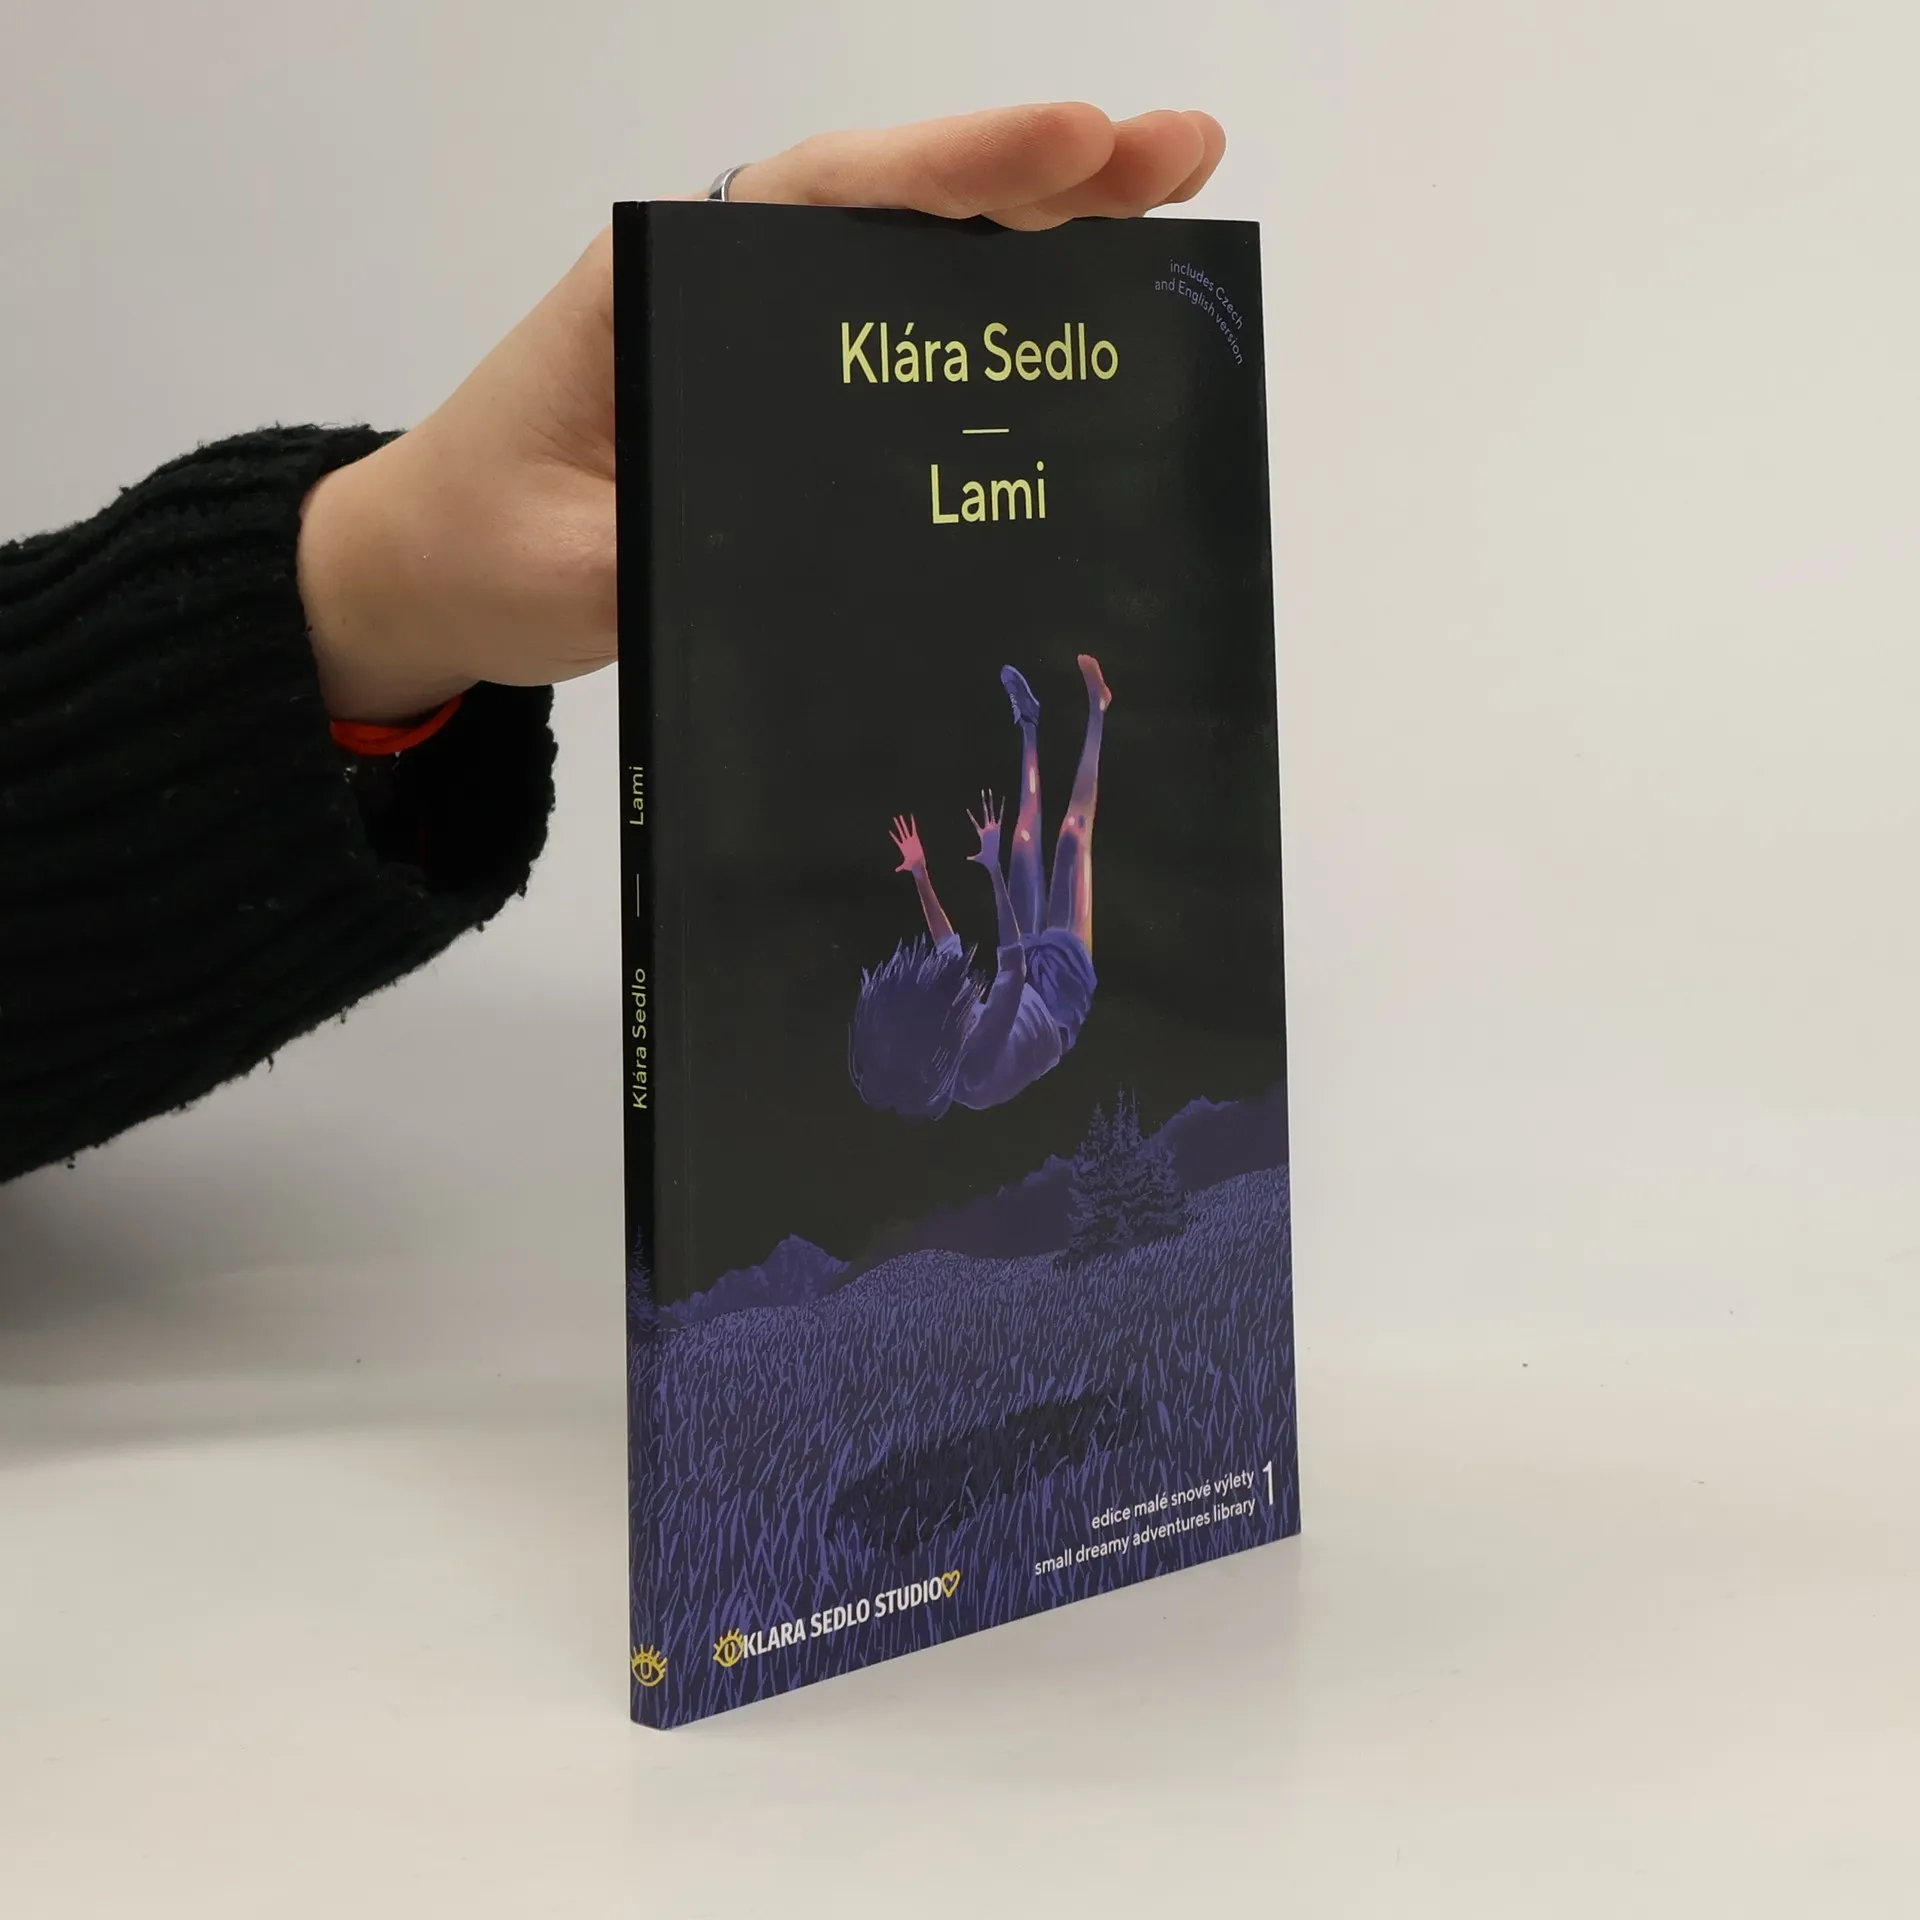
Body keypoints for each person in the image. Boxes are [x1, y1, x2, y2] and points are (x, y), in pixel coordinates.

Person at [0, 104, 1225, 1186]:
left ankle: (1058, 717)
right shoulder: (983, 1055)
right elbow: (995, 957)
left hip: (1031, 980)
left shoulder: (958, 1054)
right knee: (1056, 836)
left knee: (1036, 842)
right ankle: (1082, 714)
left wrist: (367, 584)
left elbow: (968, 950)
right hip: (1059, 984)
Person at [849, 653, 1110, 1119]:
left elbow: (948, 948)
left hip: (1026, 979)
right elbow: (1013, 968)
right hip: (1060, 1002)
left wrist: (920, 872)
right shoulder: (973, 1065)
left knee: (1023, 837)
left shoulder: (940, 1028)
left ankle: (1028, 721)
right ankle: (1098, 708)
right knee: (1074, 835)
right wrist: (992, 870)